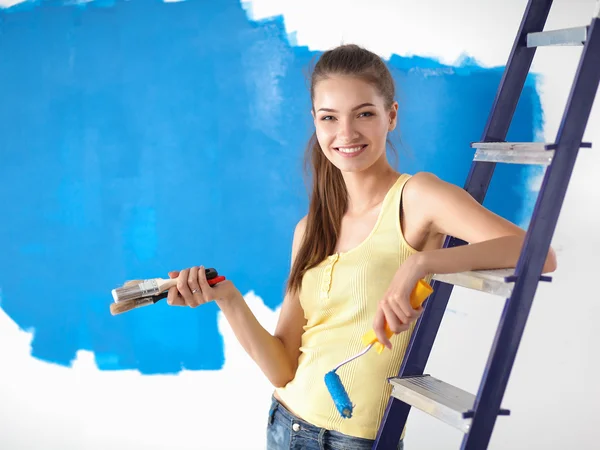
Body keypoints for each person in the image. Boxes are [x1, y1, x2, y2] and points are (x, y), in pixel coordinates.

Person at [165, 44, 557, 450]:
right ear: (315, 123)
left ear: (391, 116)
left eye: (364, 114)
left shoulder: (417, 197)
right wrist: (227, 298)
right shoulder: (310, 229)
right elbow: (282, 369)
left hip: (355, 440)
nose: (346, 134)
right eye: (329, 118)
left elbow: (539, 254)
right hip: (284, 426)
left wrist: (422, 263)